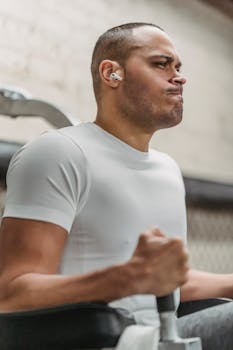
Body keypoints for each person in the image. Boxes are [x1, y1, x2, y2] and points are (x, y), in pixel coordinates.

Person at [0, 22, 232, 349]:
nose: (179, 76)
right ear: (112, 73)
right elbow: (11, 293)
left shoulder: (167, 168)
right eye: (161, 64)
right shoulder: (59, 152)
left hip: (163, 332)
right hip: (101, 338)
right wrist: (126, 278)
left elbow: (166, 285)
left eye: (178, 67)